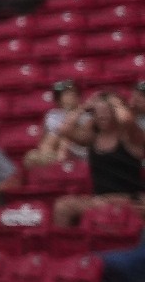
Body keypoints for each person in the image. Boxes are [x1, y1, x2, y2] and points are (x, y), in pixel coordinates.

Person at [54, 94, 145, 227]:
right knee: (62, 207)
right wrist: (83, 108)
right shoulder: (93, 138)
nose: (102, 116)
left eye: (107, 111)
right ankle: (67, 246)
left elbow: (127, 120)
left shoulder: (130, 137)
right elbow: (64, 129)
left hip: (130, 199)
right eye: (98, 112)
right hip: (100, 199)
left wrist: (115, 102)